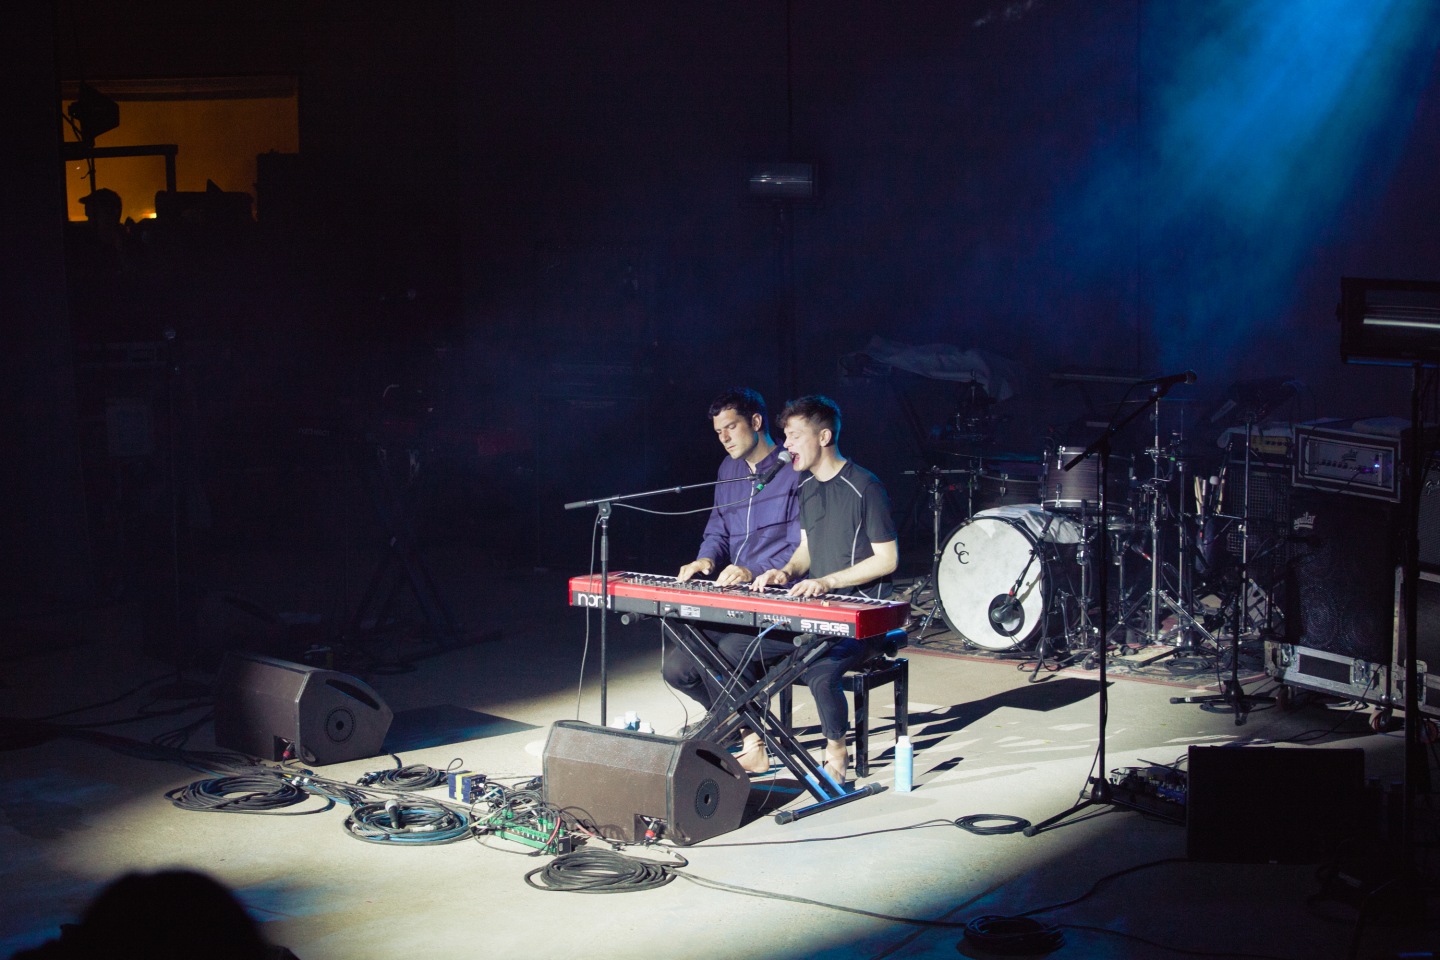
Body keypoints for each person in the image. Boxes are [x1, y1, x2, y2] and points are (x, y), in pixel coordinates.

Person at [750, 394, 898, 781]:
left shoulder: (867, 486)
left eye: (795, 436)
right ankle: (755, 743)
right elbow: (805, 549)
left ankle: (836, 748)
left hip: (862, 618)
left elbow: (888, 559)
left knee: (820, 671)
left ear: (825, 436)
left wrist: (828, 581)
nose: (786, 446)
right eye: (785, 436)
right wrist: (786, 572)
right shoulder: (807, 487)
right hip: (818, 613)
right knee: (736, 648)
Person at [662, 388, 800, 767]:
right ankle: (738, 723)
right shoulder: (728, 470)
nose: (724, 438)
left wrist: (752, 571)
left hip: (779, 596)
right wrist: (705, 560)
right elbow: (718, 527)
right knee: (677, 668)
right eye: (718, 431)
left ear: (756, 422)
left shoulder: (794, 470)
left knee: (728, 656)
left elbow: (801, 546)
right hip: (733, 597)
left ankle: (751, 740)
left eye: (731, 427)